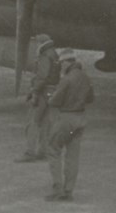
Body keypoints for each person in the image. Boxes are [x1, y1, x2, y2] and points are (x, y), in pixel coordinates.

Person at [43, 48, 95, 202]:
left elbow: (54, 101)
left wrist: (50, 97)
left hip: (66, 118)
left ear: (66, 62)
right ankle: (68, 191)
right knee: (73, 156)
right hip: (81, 119)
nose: (60, 66)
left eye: (61, 63)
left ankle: (57, 189)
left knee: (53, 149)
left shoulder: (66, 79)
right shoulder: (86, 77)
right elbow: (91, 98)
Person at [15, 35, 57, 162]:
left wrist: (34, 91)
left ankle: (30, 153)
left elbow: (42, 76)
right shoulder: (54, 54)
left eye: (36, 42)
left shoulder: (44, 55)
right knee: (45, 123)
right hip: (52, 91)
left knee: (32, 123)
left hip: (42, 93)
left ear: (41, 42)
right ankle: (42, 151)